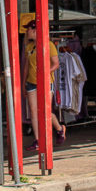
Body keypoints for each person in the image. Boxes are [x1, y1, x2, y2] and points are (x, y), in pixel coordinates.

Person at [22, 15, 66, 151]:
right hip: (31, 82)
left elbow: (56, 64)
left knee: (45, 111)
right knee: (33, 112)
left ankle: (59, 128)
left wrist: (45, 73)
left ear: (35, 30)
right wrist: (24, 82)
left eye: (28, 29)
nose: (26, 32)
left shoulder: (49, 44)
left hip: (46, 82)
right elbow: (27, 66)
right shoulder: (29, 46)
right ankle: (37, 139)